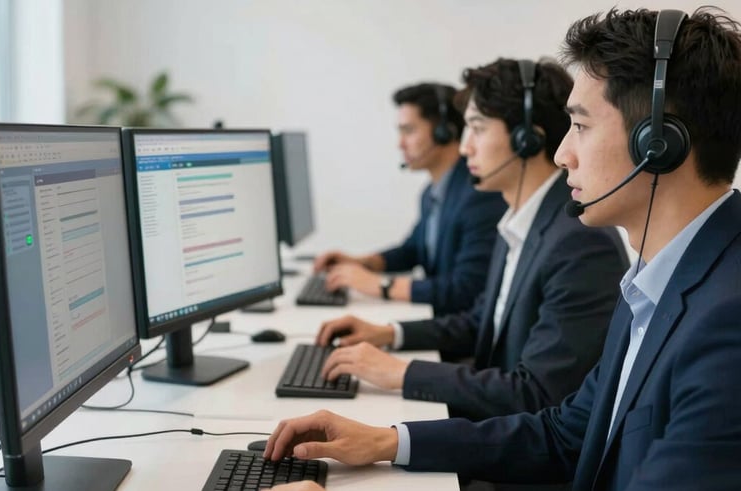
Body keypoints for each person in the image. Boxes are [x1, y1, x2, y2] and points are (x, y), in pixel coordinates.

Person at [264, 8, 741, 490]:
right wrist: (390, 441)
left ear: (658, 143)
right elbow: (566, 433)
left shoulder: (727, 324)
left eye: (580, 126)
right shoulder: (654, 280)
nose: (561, 154)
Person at [314, 58, 629, 422]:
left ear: (525, 139)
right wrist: (388, 334)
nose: (465, 148)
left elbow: (537, 394)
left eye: (477, 129)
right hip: (492, 422)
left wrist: (401, 373)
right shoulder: (521, 219)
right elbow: (483, 321)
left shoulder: (579, 244)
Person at [314, 83, 507, 316]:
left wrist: (378, 285)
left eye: (408, 131)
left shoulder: (478, 195)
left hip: (460, 335)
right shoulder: (432, 193)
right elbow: (414, 249)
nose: (400, 143)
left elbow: (466, 289)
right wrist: (362, 263)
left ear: (443, 131)